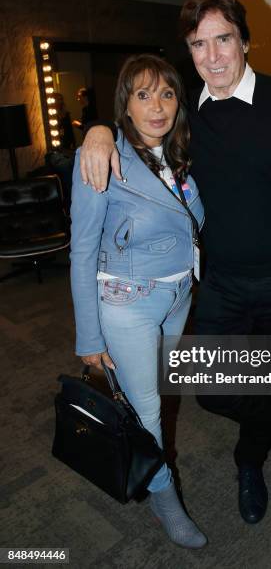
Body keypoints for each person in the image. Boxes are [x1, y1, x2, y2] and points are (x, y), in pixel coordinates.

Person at [79, 0, 271, 525]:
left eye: (222, 39)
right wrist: (95, 130)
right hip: (223, 285)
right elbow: (136, 120)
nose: (212, 56)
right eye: (198, 44)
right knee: (212, 390)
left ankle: (248, 463)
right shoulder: (186, 116)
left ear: (245, 41)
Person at [70, 54, 206, 548]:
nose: (157, 106)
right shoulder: (102, 156)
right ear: (124, 103)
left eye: (167, 94)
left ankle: (154, 466)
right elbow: (82, 251)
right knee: (146, 409)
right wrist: (89, 337)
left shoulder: (178, 155)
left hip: (177, 298)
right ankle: (166, 502)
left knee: (157, 393)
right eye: (143, 94)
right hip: (127, 302)